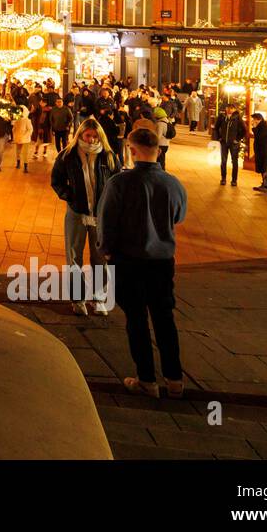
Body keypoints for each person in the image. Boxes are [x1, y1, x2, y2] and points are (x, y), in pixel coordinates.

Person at [96, 125, 187, 399]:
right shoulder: (173, 183)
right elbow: (179, 216)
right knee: (164, 318)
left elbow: (106, 222)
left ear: (131, 150)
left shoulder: (120, 183)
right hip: (161, 260)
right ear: (158, 151)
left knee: (136, 319)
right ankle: (174, 379)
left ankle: (146, 379)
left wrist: (107, 251)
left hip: (129, 260)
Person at [50, 118, 119, 316]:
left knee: (100, 258)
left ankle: (98, 297)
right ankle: (78, 299)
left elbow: (117, 182)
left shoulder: (109, 157)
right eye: (87, 135)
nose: (91, 140)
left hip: (100, 214)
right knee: (74, 256)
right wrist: (69, 196)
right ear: (80, 134)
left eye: (95, 136)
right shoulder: (68, 156)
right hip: (76, 212)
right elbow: (56, 180)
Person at [214, 104, 245, 186]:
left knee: (234, 161)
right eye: (228, 108)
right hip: (224, 142)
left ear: (234, 109)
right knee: (223, 161)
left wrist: (237, 139)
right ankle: (223, 178)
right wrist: (219, 138)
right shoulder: (222, 117)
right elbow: (216, 128)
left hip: (234, 144)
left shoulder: (237, 118)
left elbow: (244, 130)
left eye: (231, 108)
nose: (229, 110)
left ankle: (234, 180)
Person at [12, 106, 33, 172]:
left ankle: (25, 167)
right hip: (18, 138)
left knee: (25, 153)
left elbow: (30, 129)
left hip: (25, 139)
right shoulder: (16, 119)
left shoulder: (27, 120)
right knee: (18, 152)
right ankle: (18, 163)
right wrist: (15, 135)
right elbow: (14, 129)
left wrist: (25, 136)